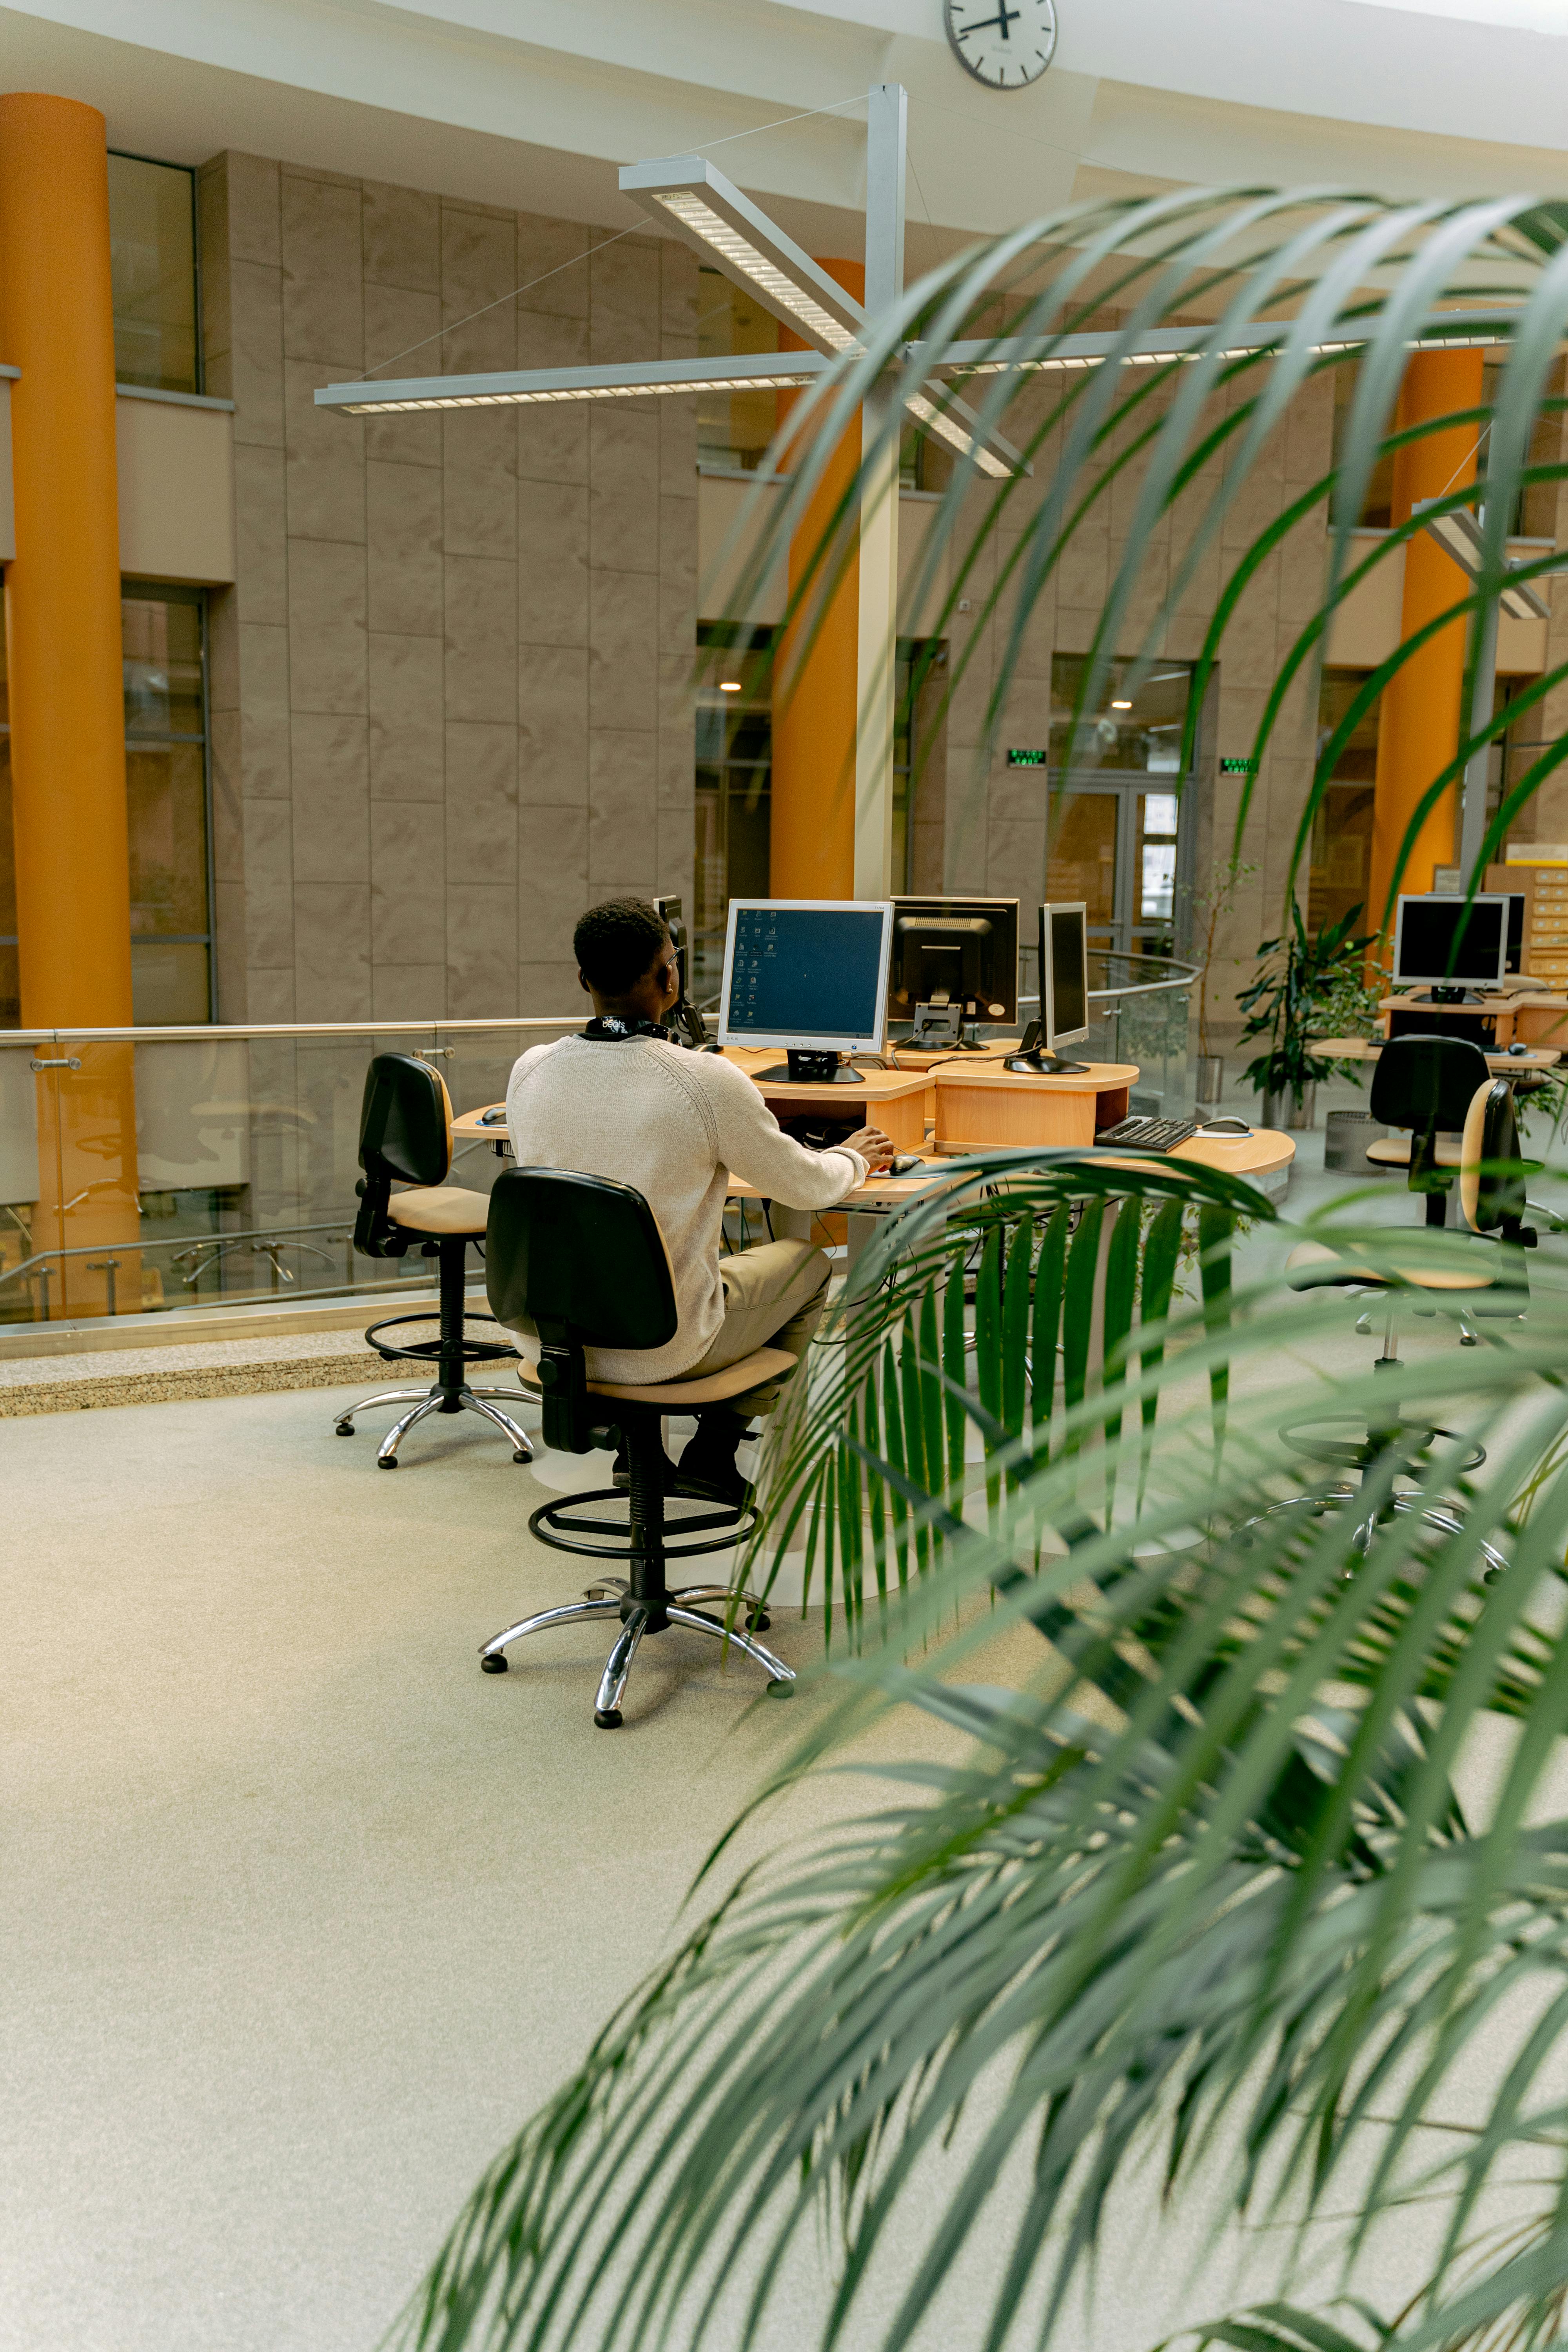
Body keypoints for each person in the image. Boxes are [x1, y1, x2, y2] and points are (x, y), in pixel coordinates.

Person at [505, 897, 894, 1504]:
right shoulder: (704, 1082)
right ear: (670, 977)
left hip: (548, 1342)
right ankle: (713, 1451)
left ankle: (640, 1454)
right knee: (809, 1265)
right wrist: (854, 1156)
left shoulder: (530, 1070)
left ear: (584, 980)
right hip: (667, 1348)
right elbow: (804, 1188)